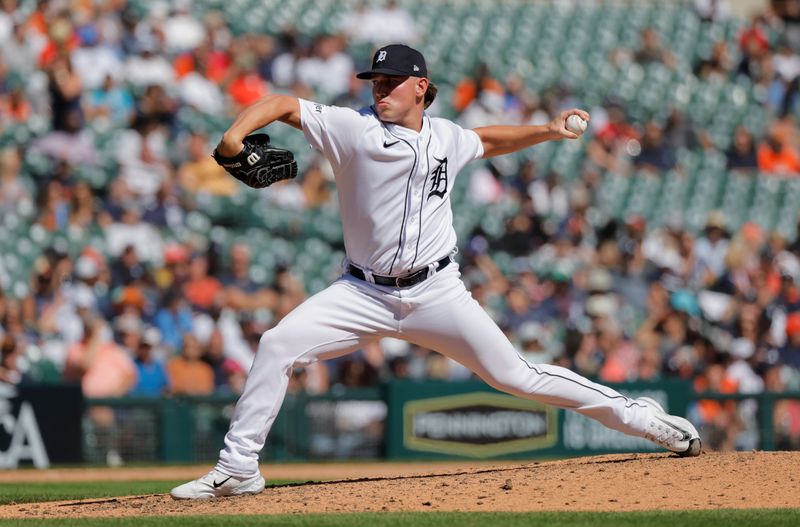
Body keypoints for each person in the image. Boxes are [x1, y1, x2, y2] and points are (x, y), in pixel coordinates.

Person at [171, 44, 701, 500]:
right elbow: (283, 104)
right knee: (277, 344)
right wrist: (233, 138)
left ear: (420, 86)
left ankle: (640, 417)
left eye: (391, 81)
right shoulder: (352, 128)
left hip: (437, 291)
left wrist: (545, 129)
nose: (380, 89)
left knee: (517, 376)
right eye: (375, 80)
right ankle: (238, 468)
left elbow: (486, 140)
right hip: (361, 291)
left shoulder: (446, 136)